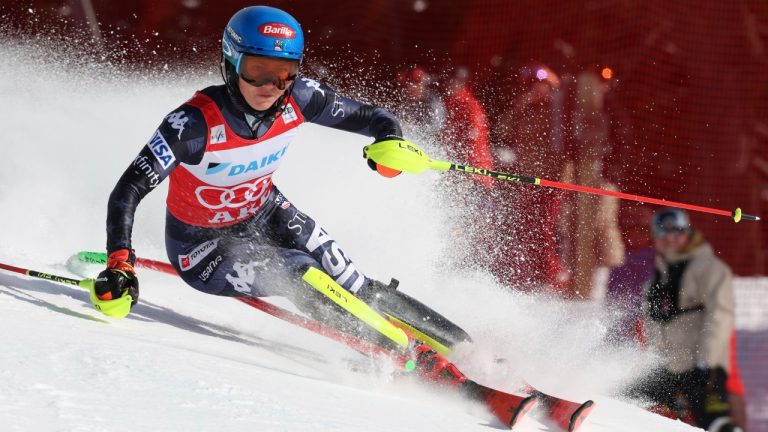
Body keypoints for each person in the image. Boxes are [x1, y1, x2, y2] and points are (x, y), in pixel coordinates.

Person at [91, 5, 469, 383]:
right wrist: (120, 261)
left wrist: (389, 142)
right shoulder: (193, 124)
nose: (270, 87)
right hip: (202, 248)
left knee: (349, 278)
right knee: (298, 272)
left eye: (284, 73)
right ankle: (410, 358)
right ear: (231, 62)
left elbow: (375, 116)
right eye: (257, 71)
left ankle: (465, 349)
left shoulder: (299, 98)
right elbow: (129, 189)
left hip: (264, 211)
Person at [629, 208, 742, 432]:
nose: (669, 238)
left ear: (687, 234)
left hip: (702, 368)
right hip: (667, 369)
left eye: (676, 231)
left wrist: (705, 363)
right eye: (662, 232)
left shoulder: (708, 270)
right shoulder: (656, 281)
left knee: (713, 420)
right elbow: (649, 328)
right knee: (628, 400)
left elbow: (720, 318)